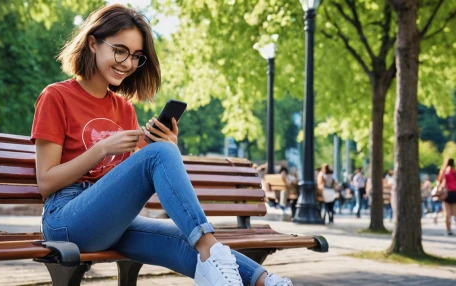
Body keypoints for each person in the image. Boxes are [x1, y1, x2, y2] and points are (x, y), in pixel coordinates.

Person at [31, 5, 292, 286]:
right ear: (93, 43)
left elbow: (124, 181)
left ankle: (266, 281)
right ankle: (210, 249)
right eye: (120, 50)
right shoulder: (56, 96)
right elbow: (46, 182)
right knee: (191, 223)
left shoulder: (123, 109)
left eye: (136, 56)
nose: (128, 63)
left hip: (111, 219)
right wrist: (102, 149)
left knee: (182, 240)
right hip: (66, 220)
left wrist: (167, 146)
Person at [436, 158, 456, 235]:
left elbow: (439, 182)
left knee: (447, 214)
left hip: (447, 194)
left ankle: (448, 230)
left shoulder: (443, 172)